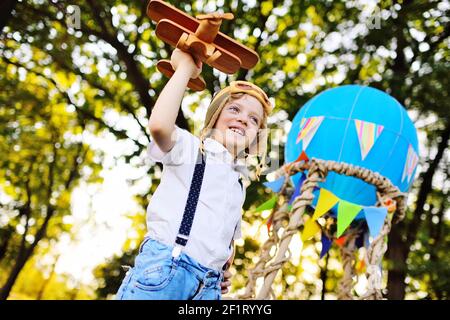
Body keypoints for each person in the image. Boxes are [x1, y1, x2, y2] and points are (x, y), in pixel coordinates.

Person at [116, 48, 272, 300]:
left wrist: (222, 269)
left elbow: (223, 236)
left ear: (257, 138)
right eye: (234, 109)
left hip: (208, 287)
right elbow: (159, 126)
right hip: (166, 269)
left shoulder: (239, 184)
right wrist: (184, 69)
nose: (244, 119)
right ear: (215, 116)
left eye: (254, 119)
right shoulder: (190, 150)